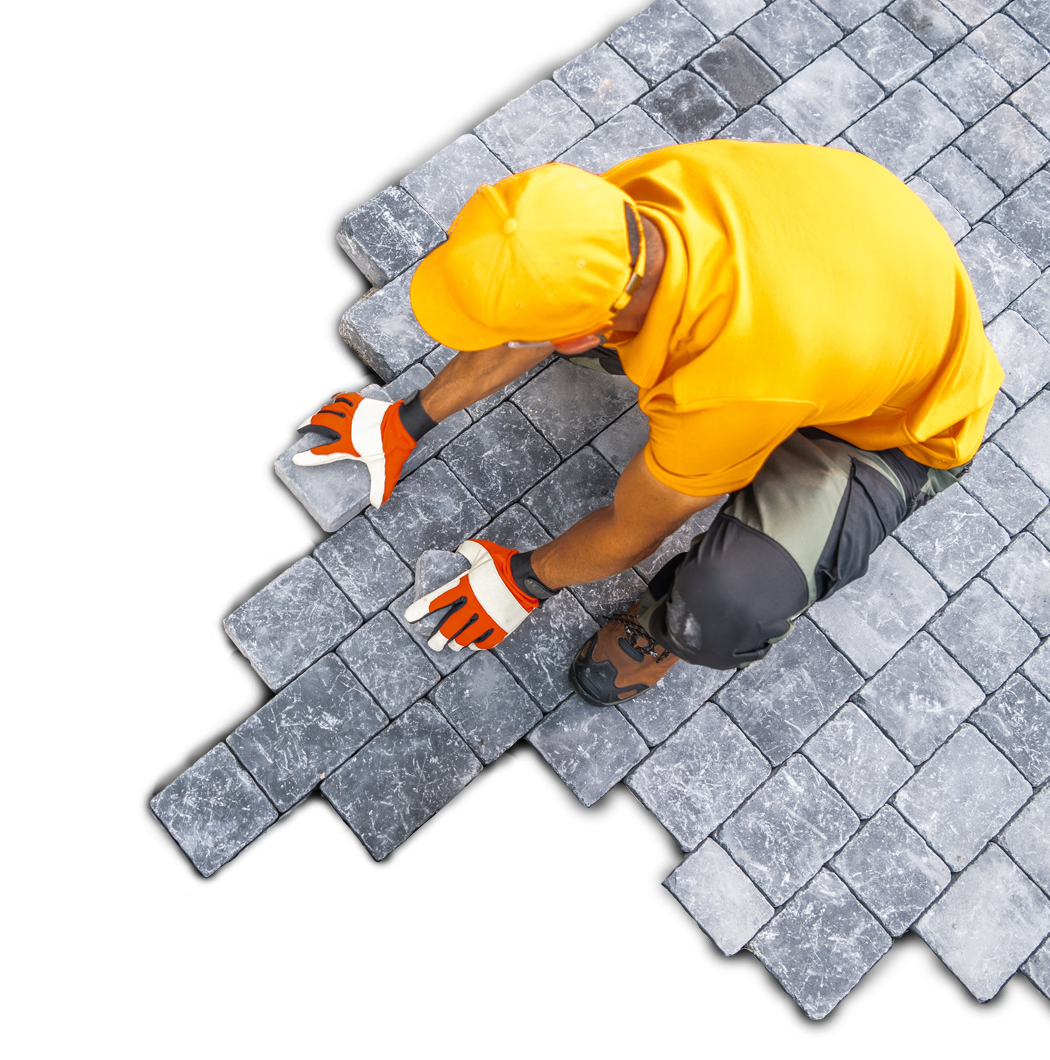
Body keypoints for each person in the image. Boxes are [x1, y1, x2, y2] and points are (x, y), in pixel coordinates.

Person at [293, 141, 1003, 707]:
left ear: (579, 333)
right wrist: (407, 418)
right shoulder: (620, 205)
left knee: (728, 605)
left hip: (899, 424)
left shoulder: (727, 383)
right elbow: (542, 303)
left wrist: (523, 580)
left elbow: (633, 530)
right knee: (604, 337)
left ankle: (667, 624)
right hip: (861, 289)